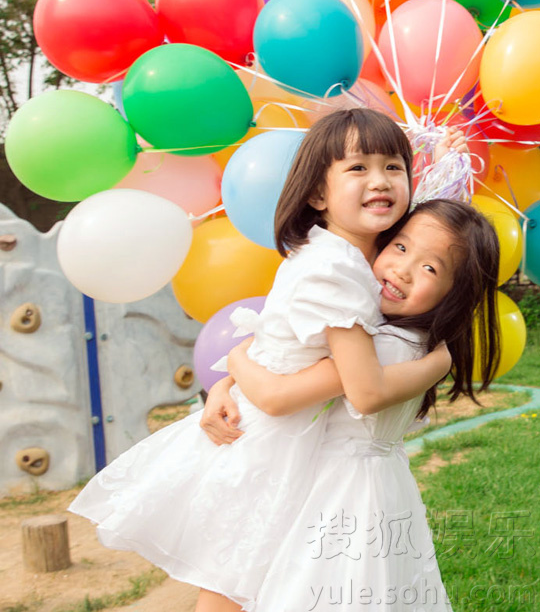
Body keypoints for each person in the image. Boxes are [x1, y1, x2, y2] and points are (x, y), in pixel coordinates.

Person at [67, 109, 476, 612]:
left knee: (242, 583)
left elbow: (436, 242)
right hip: (265, 446)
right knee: (233, 583)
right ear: (317, 194)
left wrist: (228, 378)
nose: (380, 180)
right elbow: (348, 389)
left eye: (394, 167)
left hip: (275, 434)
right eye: (358, 168)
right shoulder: (336, 270)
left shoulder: (347, 255)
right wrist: (438, 364)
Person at [204, 198, 500, 611]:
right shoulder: (396, 336)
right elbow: (288, 361)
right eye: (400, 247)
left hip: (334, 492)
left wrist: (235, 358)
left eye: (430, 268)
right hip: (363, 484)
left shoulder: (384, 348)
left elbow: (277, 395)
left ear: (455, 293)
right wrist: (227, 386)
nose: (402, 269)